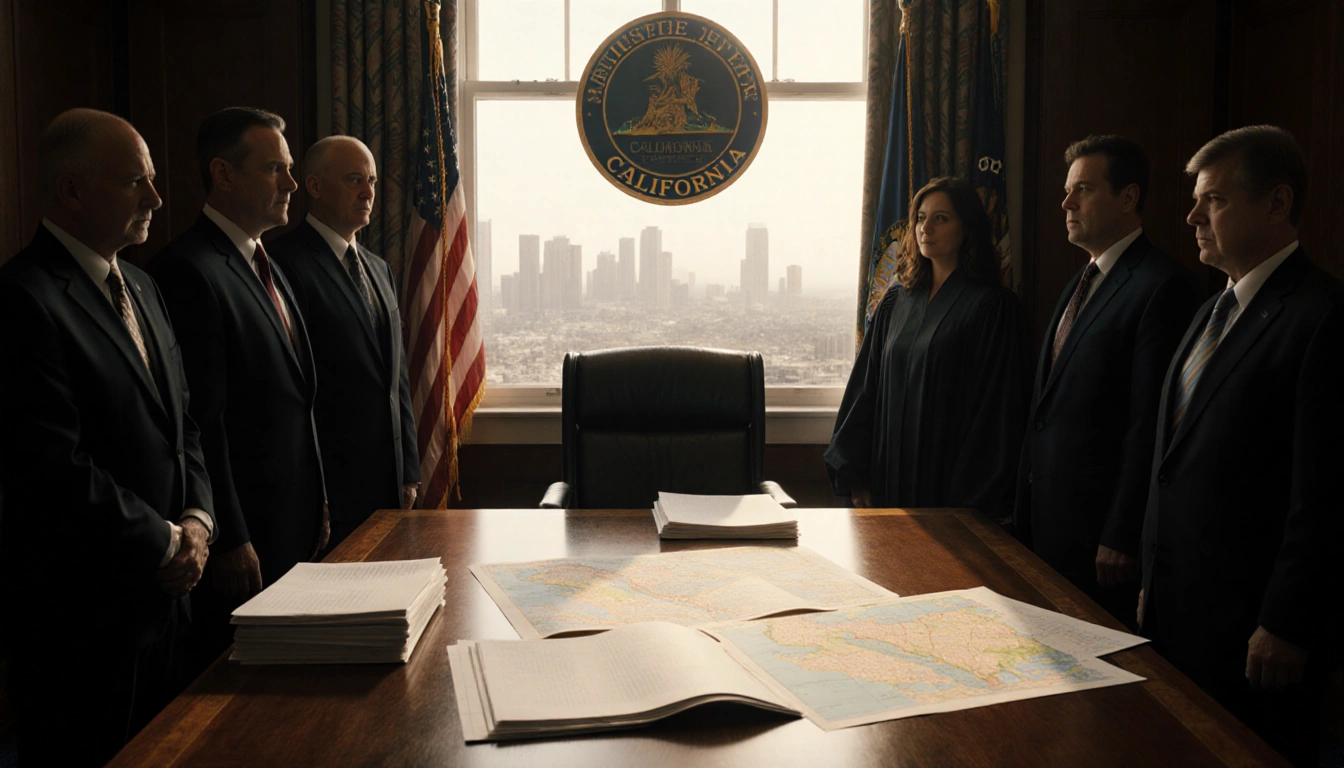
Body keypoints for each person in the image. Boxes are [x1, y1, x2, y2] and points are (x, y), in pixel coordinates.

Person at [0, 109, 214, 765]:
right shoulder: (22, 298)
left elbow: (183, 423)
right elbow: (53, 466)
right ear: (71, 191)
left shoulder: (143, 285)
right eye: (134, 181)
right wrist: (167, 543)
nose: (156, 197)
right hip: (84, 623)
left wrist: (199, 520)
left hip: (171, 606)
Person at [1139, 125, 1343, 766]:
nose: (1193, 217)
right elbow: (1171, 460)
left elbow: (1325, 492)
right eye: (1196, 200)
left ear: (1277, 204)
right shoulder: (1210, 310)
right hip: (1180, 609)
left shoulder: (1325, 316)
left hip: (1256, 629)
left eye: (1215, 200)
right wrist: (1151, 578)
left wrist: (1287, 621)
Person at [150, 107, 328, 677]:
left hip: (293, 524)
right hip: (243, 541)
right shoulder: (189, 269)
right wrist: (230, 535)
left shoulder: (264, 261)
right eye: (275, 169)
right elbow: (204, 419)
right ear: (223, 174)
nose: (291, 184)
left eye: (290, 168)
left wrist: (318, 500)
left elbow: (297, 399)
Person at [1013, 136, 1198, 627]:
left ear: (1128, 197)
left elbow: (1148, 423)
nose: (1066, 204)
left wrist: (1122, 531)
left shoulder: (1162, 285)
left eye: (1084, 190)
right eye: (1067, 191)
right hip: (1048, 526)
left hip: (1102, 542)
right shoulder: (1081, 281)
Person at [827, 177, 1027, 519]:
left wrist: (967, 502)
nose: (926, 228)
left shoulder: (992, 308)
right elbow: (866, 388)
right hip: (885, 482)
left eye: (941, 218)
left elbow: (995, 413)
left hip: (950, 492)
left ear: (967, 228)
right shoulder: (895, 302)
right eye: (920, 218)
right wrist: (857, 474)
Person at [270, 136, 420, 547]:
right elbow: (292, 391)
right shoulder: (283, 264)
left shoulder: (379, 268)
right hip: (328, 491)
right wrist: (313, 493)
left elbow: (397, 378)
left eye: (372, 181)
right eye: (355, 179)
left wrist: (408, 469)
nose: (368, 192)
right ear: (315, 186)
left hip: (389, 485)